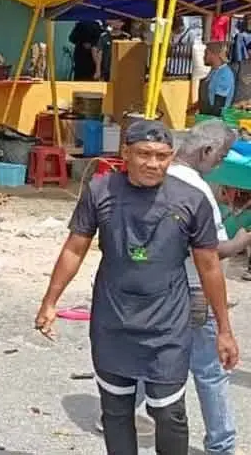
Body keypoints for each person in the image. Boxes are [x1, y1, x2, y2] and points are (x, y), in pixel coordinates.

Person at [35, 120, 238, 455]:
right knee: (116, 413)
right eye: (144, 154)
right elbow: (75, 248)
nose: (153, 163)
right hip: (112, 323)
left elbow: (209, 266)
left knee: (169, 413)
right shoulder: (101, 191)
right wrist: (50, 301)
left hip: (167, 327)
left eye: (161, 156)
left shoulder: (190, 199)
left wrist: (225, 330)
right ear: (125, 153)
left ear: (171, 156)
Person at [170, 120, 250, 455]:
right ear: (205, 151)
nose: (218, 166)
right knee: (210, 371)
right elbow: (211, 252)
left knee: (158, 356)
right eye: (219, 159)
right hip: (192, 286)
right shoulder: (197, 191)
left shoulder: (157, 176)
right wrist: (241, 241)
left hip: (161, 288)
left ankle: (125, 412)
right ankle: (221, 445)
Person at [192, 42, 236, 117]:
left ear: (214, 55)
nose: (203, 57)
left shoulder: (224, 74)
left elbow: (219, 105)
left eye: (206, 53)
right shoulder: (214, 71)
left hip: (215, 122)